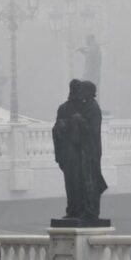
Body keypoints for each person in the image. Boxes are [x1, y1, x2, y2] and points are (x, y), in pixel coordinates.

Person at [52, 79, 83, 218]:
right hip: (71, 153)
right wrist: (62, 126)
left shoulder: (84, 107)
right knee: (72, 183)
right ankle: (73, 210)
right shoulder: (65, 108)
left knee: (74, 183)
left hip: (76, 153)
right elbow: (56, 128)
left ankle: (76, 209)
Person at [77, 80, 107, 221]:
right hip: (86, 148)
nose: (80, 93)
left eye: (83, 90)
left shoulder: (93, 108)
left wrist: (81, 121)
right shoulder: (86, 106)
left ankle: (92, 210)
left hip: (91, 150)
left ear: (89, 92)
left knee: (91, 180)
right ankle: (87, 209)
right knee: (86, 180)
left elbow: (94, 130)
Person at [77, 34, 101, 99]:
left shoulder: (94, 48)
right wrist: (84, 52)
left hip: (92, 75)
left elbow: (90, 62)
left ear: (90, 40)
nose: (86, 42)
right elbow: (90, 56)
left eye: (87, 40)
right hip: (92, 75)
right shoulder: (94, 48)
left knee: (91, 91)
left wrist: (85, 76)